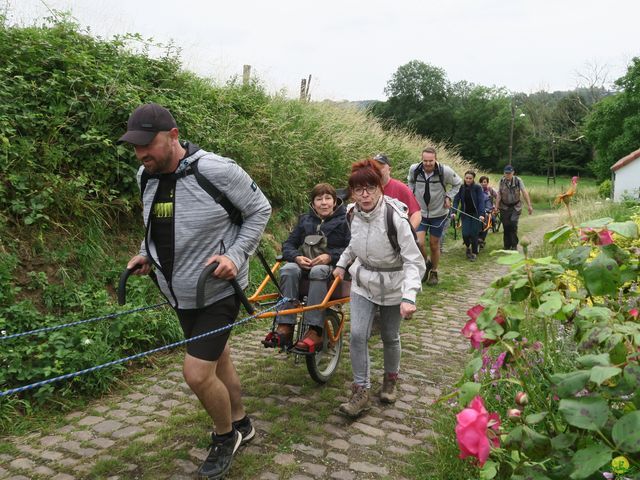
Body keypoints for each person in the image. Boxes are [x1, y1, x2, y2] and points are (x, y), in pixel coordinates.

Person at [119, 103, 271, 480]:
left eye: (147, 145)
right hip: (178, 292)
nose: (141, 154)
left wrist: (235, 256)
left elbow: (259, 210)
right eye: (135, 147)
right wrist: (144, 254)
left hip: (219, 289)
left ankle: (224, 437)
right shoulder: (146, 175)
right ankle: (242, 423)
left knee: (197, 374)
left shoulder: (216, 170)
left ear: (172, 136)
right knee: (220, 362)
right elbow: (152, 224)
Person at [333, 160, 425, 418]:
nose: (365, 194)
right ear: (352, 192)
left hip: (394, 284)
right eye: (358, 189)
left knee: (389, 335)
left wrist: (409, 296)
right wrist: (342, 265)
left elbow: (413, 261)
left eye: (370, 188)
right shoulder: (352, 213)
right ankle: (361, 390)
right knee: (357, 335)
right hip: (363, 282)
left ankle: (390, 380)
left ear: (380, 188)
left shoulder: (394, 216)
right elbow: (355, 244)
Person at [262, 183, 350, 351]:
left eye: (328, 198)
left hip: (332, 268)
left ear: (335, 201)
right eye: (319, 199)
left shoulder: (345, 220)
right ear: (313, 203)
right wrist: (296, 257)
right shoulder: (305, 220)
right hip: (304, 266)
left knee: (318, 270)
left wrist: (329, 256)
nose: (323, 203)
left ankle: (315, 330)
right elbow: (288, 244)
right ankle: (285, 326)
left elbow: (351, 247)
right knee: (288, 269)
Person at [408, 147, 462, 285]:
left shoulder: (445, 171)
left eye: (430, 161)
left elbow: (458, 183)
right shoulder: (415, 169)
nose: (427, 164)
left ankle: (434, 272)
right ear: (422, 159)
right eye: (425, 161)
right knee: (418, 242)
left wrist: (449, 196)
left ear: (435, 159)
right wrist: (411, 196)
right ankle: (426, 263)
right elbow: (410, 182)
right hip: (420, 213)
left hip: (439, 213)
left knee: (434, 244)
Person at [372, 153, 421, 230]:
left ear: (389, 170)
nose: (377, 170)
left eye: (381, 167)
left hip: (394, 237)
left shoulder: (401, 188)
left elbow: (416, 214)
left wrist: (408, 233)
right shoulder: (367, 189)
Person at [495, 165, 533, 250]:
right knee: (506, 225)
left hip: (516, 206)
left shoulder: (518, 181)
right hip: (504, 206)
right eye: (506, 173)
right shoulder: (501, 181)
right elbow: (499, 194)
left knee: (513, 224)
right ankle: (507, 245)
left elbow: (524, 192)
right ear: (504, 173)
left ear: (513, 173)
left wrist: (529, 206)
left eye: (509, 173)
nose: (507, 175)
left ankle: (514, 245)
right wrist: (496, 207)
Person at [453, 171, 485, 261]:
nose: (468, 180)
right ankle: (468, 247)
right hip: (465, 214)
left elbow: (481, 202)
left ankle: (474, 253)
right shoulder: (461, 188)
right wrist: (454, 211)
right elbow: (456, 200)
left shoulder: (477, 188)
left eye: (470, 178)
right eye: (466, 178)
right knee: (465, 234)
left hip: (476, 215)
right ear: (464, 178)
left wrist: (482, 214)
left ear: (473, 179)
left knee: (474, 234)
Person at [478, 175, 497, 248]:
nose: (483, 184)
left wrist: (496, 206)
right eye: (482, 182)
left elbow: (497, 197)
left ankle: (482, 239)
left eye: (485, 182)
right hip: (480, 209)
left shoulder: (491, 190)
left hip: (489, 210)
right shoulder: (478, 190)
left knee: (489, 221)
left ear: (487, 183)